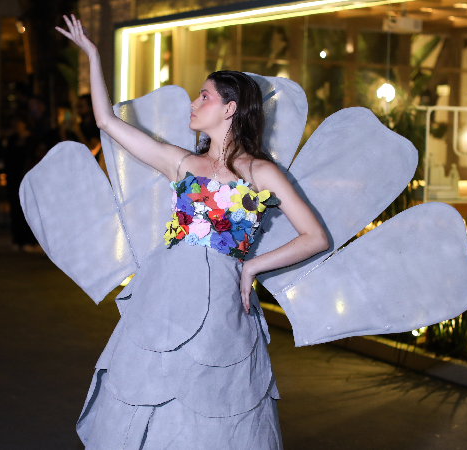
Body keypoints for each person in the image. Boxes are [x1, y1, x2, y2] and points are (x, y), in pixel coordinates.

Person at [55, 15, 328, 448]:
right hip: (164, 291)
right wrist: (91, 54)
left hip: (221, 296)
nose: (194, 102)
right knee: (153, 389)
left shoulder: (260, 172)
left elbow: (316, 237)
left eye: (204, 95)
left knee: (215, 399)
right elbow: (106, 121)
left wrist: (251, 267)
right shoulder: (182, 163)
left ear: (230, 108)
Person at [4, 112, 40, 251]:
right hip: (14, 178)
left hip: (27, 179)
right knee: (15, 209)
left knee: (28, 210)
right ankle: (17, 238)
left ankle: (29, 240)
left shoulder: (32, 140)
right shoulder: (12, 139)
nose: (15, 126)